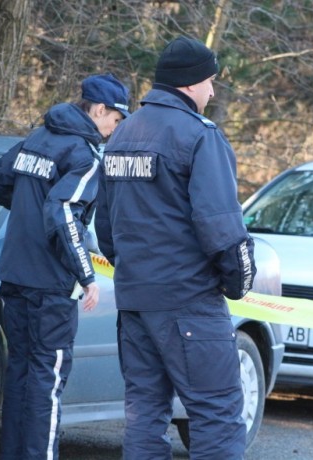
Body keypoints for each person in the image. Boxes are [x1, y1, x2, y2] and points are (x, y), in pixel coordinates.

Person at [95, 37, 256, 459]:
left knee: (146, 414)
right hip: (190, 302)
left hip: (135, 302)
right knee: (217, 413)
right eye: (210, 82)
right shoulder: (199, 136)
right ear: (189, 84)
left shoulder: (122, 133)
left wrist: (135, 271)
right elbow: (222, 227)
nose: (213, 92)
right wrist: (240, 281)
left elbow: (106, 227)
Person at [0, 73, 130, 460]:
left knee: (20, 373)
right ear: (99, 110)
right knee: (46, 382)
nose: (114, 130)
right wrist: (87, 275)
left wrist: (25, 214)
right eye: (116, 120)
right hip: (51, 286)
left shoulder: (37, 138)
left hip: (14, 277)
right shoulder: (83, 156)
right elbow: (65, 212)